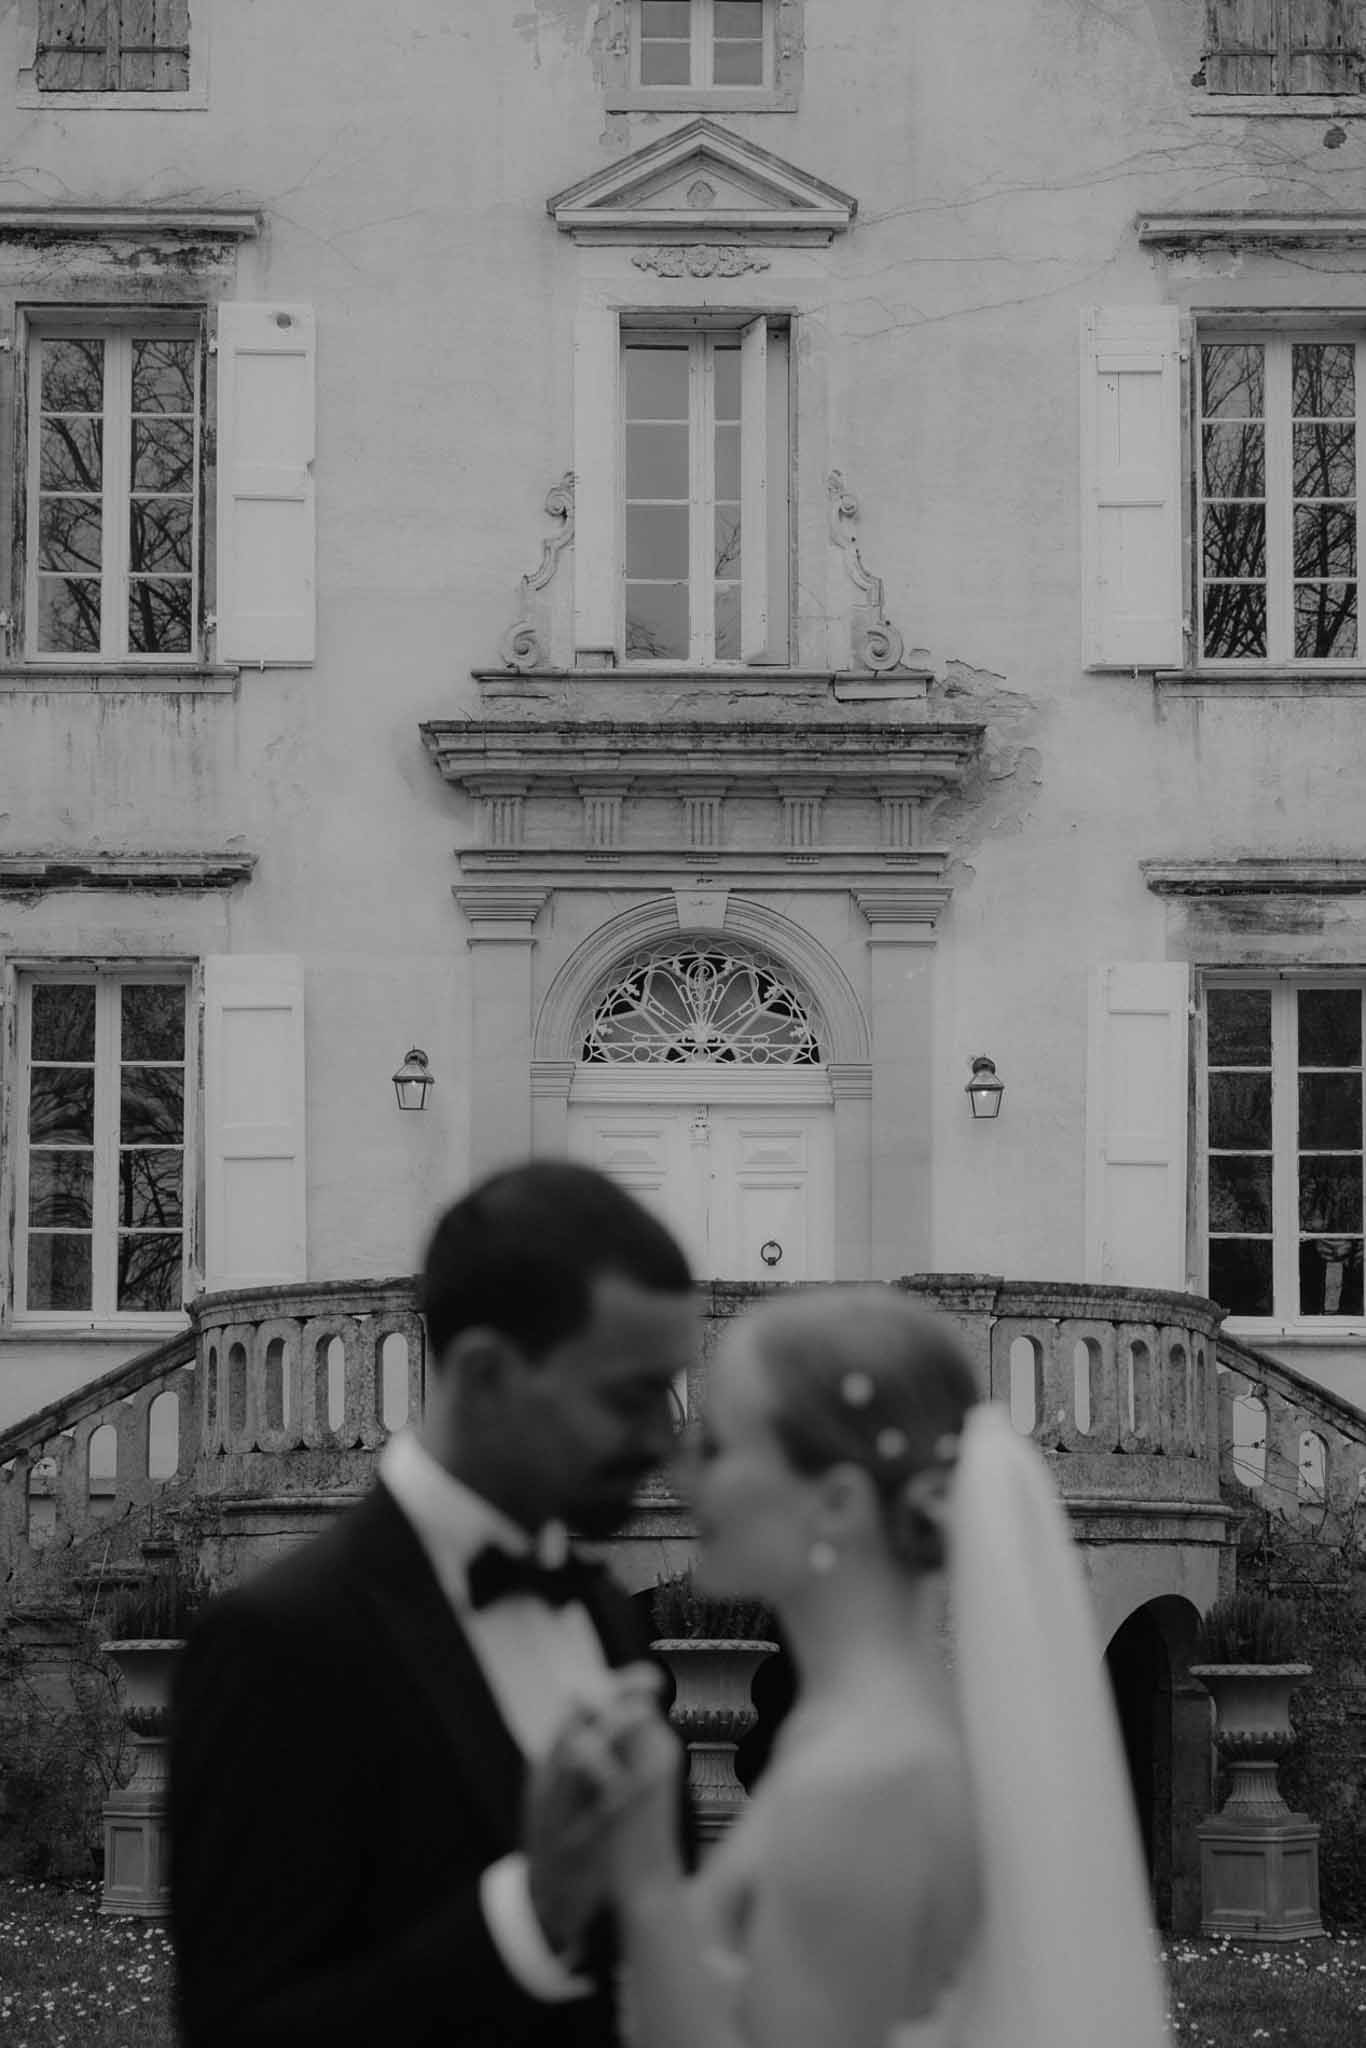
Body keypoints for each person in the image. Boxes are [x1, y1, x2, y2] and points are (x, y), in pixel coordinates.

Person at [169, 1160, 698, 2048]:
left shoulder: (608, 1613)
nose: (663, 1438)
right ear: (486, 1374)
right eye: (630, 1397)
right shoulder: (278, 1646)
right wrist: (530, 1919)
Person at [570, 1287, 1172, 2048]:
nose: (682, 1477)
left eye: (716, 1446)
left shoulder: (865, 1782)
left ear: (837, 1503)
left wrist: (648, 1878)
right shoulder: (856, 1734)